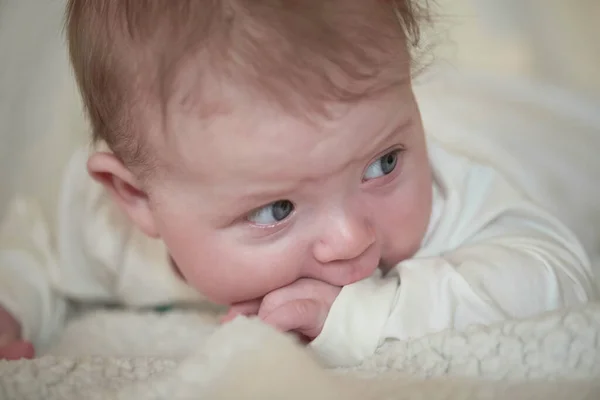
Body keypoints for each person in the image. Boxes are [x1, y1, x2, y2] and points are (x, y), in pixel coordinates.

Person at [0, 0, 597, 365]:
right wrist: (12, 301)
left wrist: (362, 315)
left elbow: (556, 277)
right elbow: (34, 243)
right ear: (136, 198)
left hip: (543, 135)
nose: (350, 239)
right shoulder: (106, 232)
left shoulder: (447, 189)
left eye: (383, 164)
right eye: (276, 208)